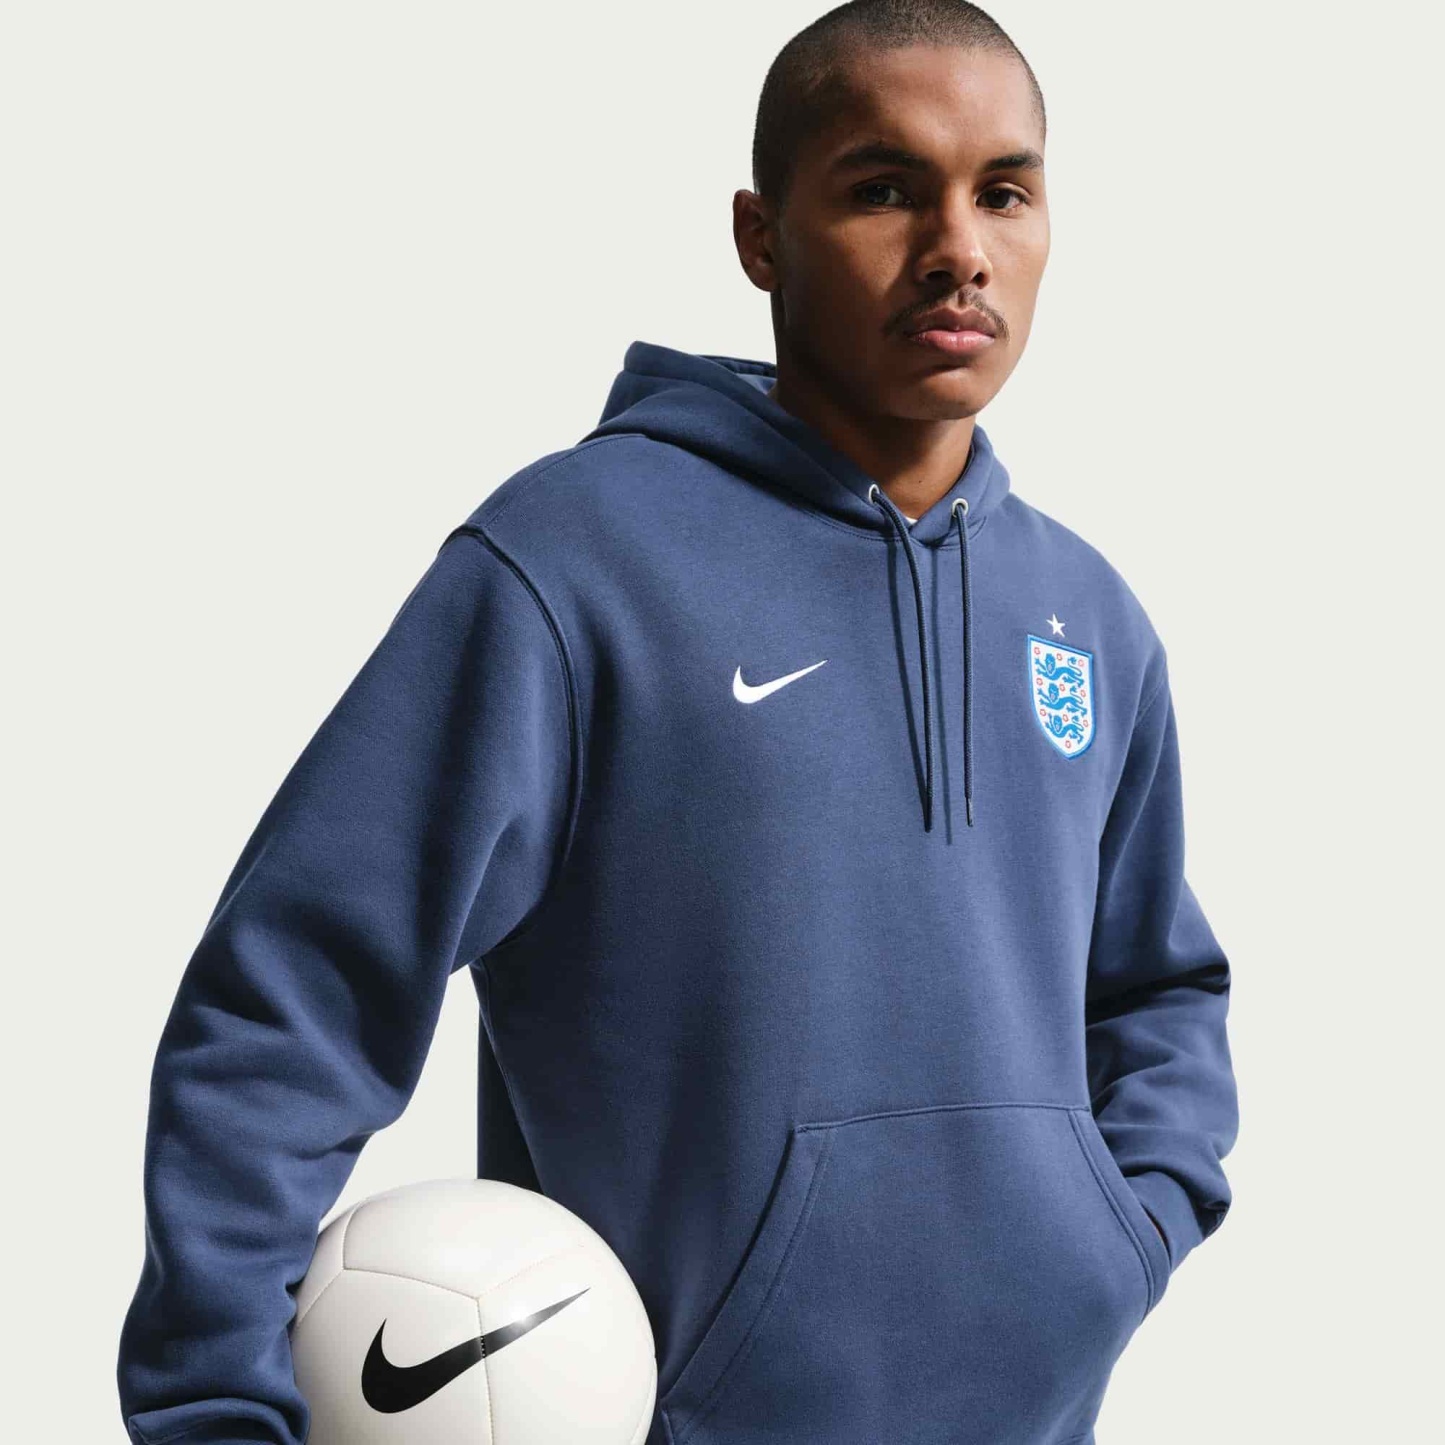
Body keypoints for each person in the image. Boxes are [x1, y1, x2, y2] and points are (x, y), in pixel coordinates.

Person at [117, 3, 1239, 1443]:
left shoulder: (1087, 615)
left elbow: (1156, 986)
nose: (958, 247)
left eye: (1004, 193)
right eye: (884, 188)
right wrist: (215, 1401)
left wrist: (1117, 1238)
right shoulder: (573, 564)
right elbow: (296, 986)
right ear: (761, 238)